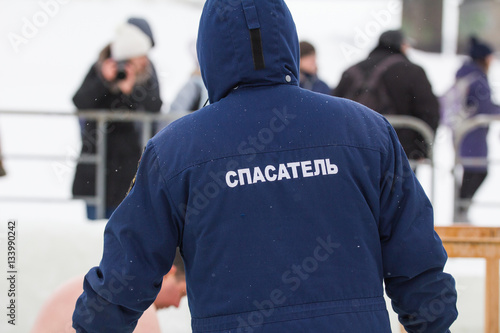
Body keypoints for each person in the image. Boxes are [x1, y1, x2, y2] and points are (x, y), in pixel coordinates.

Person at [73, 1, 457, 332]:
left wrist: (96, 322)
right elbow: (417, 258)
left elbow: (126, 273)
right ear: (286, 39)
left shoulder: (177, 150)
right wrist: (431, 320)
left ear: (210, 51)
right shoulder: (366, 132)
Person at [72, 17, 163, 220]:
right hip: (96, 156)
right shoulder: (101, 67)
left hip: (128, 160)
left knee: (124, 225)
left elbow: (155, 106)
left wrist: (131, 90)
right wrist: (104, 81)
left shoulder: (147, 72)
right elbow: (80, 101)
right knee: (93, 229)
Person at [334, 30, 440, 165]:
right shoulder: (411, 71)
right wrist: (421, 149)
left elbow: (334, 111)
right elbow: (429, 111)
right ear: (401, 45)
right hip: (399, 154)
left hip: (354, 152)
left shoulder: (351, 71)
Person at [32, 251, 185, 333]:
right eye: (181, 293)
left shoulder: (93, 286)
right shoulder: (135, 303)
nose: (177, 304)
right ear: (168, 273)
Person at [454, 36, 500, 222]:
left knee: (472, 171)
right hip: (471, 133)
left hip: (466, 131)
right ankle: (461, 211)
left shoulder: (467, 73)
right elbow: (484, 106)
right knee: (476, 171)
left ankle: (461, 210)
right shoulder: (477, 78)